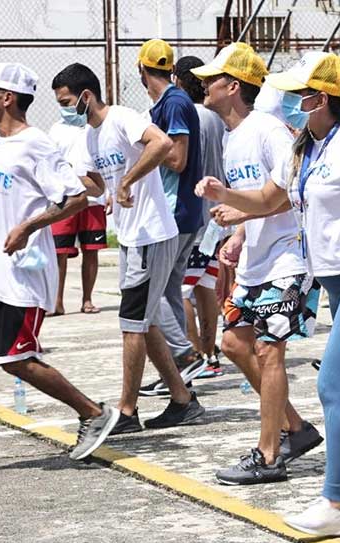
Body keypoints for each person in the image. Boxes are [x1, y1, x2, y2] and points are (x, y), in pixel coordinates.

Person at [197, 51, 340, 535]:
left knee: (332, 385)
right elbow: (270, 199)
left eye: (300, 93)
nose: (291, 100)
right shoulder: (307, 145)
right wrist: (226, 197)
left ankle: (333, 506)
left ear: (321, 98)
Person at [0, 62, 119, 477]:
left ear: (8, 98)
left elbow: (74, 199)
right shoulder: (0, 147)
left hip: (20, 276)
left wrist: (27, 228)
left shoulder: (38, 144)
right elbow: (0, 205)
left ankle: (93, 412)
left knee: (16, 360)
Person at [191, 43, 324, 484]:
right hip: (256, 259)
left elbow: (287, 192)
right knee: (232, 344)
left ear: (233, 86)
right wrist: (240, 232)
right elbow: (259, 198)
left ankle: (269, 455)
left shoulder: (269, 130)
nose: (204, 85)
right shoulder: (234, 137)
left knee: (268, 352)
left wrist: (233, 205)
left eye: (212, 79)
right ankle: (297, 428)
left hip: (288, 259)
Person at [51, 62, 206, 433]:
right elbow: (95, 185)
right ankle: (182, 399)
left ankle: (127, 410)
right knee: (144, 321)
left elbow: (163, 143)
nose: (65, 109)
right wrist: (60, 176)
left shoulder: (121, 118)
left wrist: (128, 182)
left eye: (67, 101)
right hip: (130, 238)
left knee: (132, 325)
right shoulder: (89, 137)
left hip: (152, 234)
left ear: (86, 96)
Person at [136, 39, 209, 395]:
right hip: (178, 211)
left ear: (142, 70)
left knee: (150, 292)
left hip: (174, 211)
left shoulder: (175, 102)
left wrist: (147, 150)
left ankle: (183, 355)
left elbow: (177, 159)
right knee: (168, 291)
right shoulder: (169, 103)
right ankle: (179, 372)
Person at [174, 55, 225, 376]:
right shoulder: (217, 117)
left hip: (193, 213)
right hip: (217, 216)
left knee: (180, 290)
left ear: (178, 80)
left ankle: (195, 357)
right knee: (206, 284)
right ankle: (210, 354)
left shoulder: (187, 116)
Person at [47, 79, 110, 318]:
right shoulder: (55, 131)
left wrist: (110, 192)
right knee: (59, 252)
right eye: (61, 103)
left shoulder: (95, 126)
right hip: (65, 199)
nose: (65, 107)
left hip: (94, 201)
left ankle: (87, 299)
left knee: (91, 250)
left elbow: (108, 164)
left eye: (67, 102)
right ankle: (57, 301)